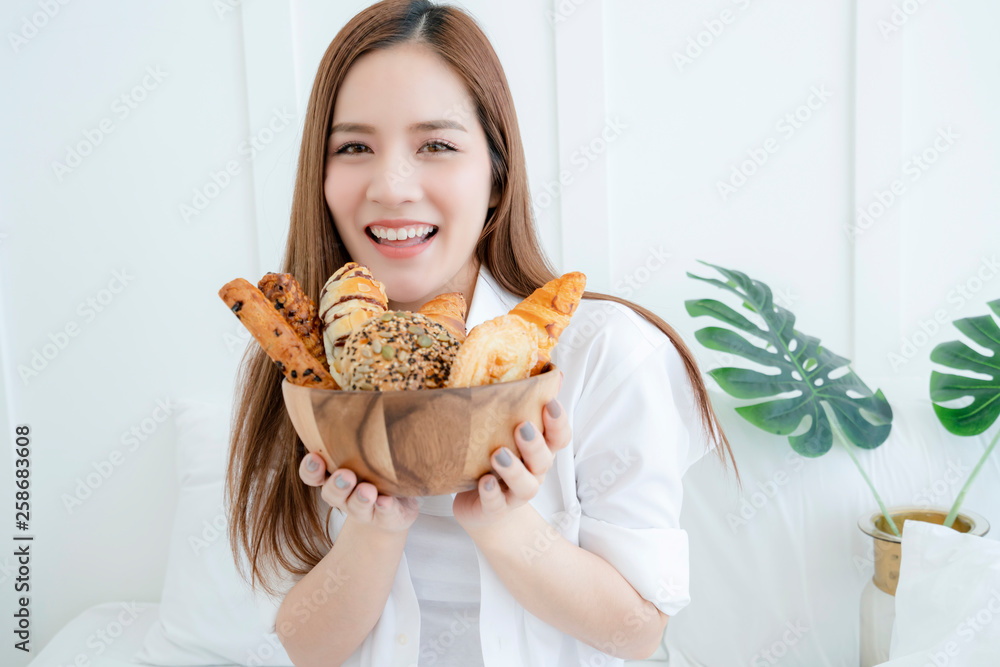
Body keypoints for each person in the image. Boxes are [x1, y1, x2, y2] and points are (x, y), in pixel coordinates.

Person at [225, 1, 737, 666]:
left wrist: (503, 520)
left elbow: (637, 632)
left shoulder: (605, 353)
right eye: (354, 147)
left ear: (496, 175)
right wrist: (373, 531)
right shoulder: (301, 372)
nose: (392, 186)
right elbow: (302, 644)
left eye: (435, 145)